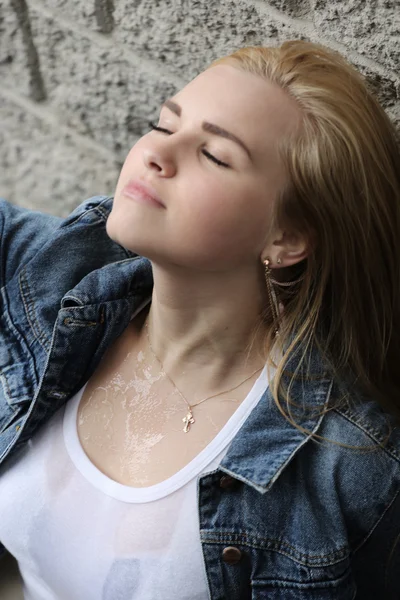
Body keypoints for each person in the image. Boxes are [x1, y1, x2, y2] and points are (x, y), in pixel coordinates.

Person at [0, 38, 399, 599]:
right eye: (165, 126)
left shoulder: (353, 465)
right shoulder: (50, 283)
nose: (155, 155)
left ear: (287, 238)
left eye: (214, 155)